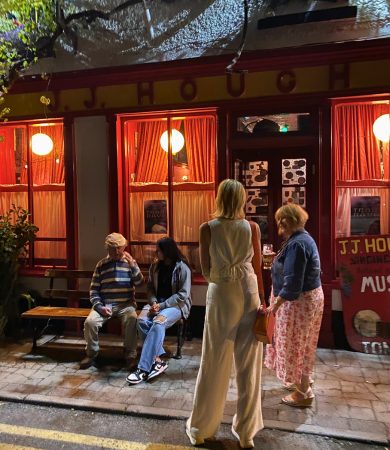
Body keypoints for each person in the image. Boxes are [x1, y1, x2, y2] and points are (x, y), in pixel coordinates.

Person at [186, 179, 263, 449]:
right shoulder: (252, 227)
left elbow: (205, 269)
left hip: (222, 292)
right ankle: (246, 433)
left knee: (214, 361)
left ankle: (202, 429)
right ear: (242, 199)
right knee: (249, 365)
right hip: (249, 291)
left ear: (219, 198)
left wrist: (221, 278)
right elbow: (258, 266)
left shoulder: (207, 228)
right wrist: (262, 301)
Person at [264, 203, 324, 407]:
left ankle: (303, 392)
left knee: (294, 345)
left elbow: (293, 281)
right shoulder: (302, 239)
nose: (280, 222)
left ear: (294, 220)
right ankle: (303, 382)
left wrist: (276, 304)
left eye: (284, 218)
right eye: (279, 218)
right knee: (303, 344)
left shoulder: (297, 244)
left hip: (297, 303)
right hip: (308, 299)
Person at [126, 237, 192, 384]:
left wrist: (161, 306)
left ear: (167, 251)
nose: (156, 252)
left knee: (158, 322)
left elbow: (183, 294)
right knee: (142, 321)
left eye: (159, 250)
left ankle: (142, 369)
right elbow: (150, 287)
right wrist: (154, 302)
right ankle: (157, 361)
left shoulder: (182, 267)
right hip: (157, 303)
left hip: (176, 306)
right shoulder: (155, 266)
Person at [79, 233, 144, 370]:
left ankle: (130, 355)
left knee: (132, 318)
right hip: (105, 305)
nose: (116, 252)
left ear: (124, 247)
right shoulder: (101, 265)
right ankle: (92, 354)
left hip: (125, 305)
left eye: (119, 248)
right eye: (112, 248)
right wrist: (99, 307)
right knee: (90, 322)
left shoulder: (129, 263)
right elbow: (94, 291)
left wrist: (133, 265)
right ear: (107, 249)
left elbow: (140, 283)